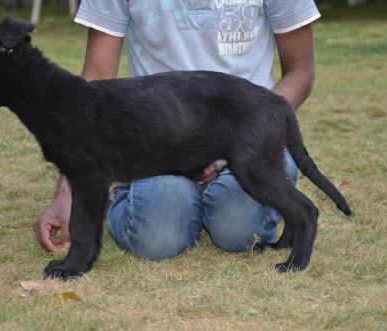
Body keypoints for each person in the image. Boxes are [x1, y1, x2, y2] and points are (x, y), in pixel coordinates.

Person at [34, 0, 321, 260]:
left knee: (236, 230)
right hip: (159, 148)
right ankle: (124, 200)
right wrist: (67, 193)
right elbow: (95, 79)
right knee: (159, 237)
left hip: (244, 137)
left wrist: (245, 136)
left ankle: (209, 204)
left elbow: (300, 71)